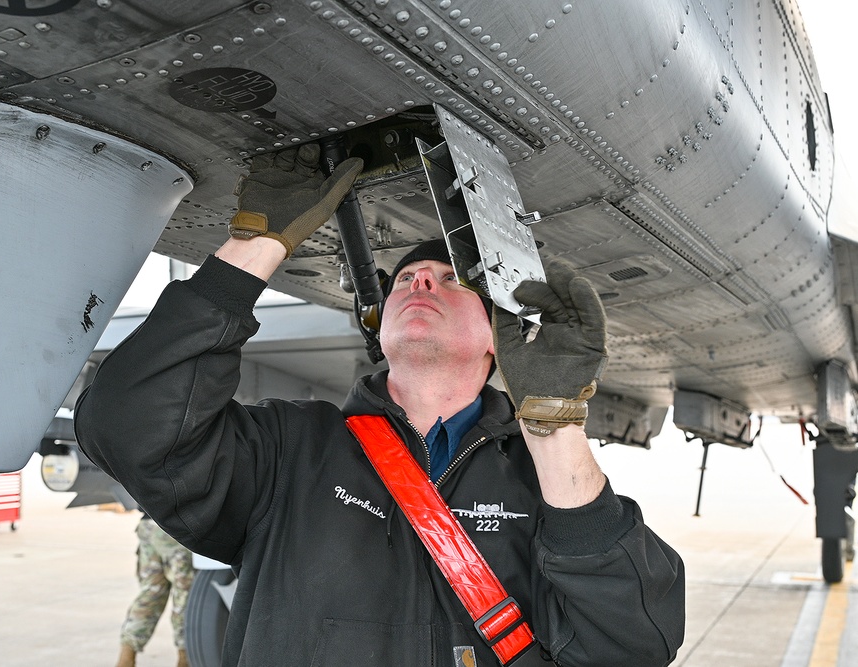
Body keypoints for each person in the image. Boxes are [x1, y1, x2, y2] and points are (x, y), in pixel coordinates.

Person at [76, 144, 685, 666]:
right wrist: (252, 248)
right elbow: (128, 429)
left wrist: (554, 427)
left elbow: (632, 643)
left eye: (451, 281)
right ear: (383, 325)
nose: (420, 280)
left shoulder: (547, 488)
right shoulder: (289, 452)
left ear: (497, 341)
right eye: (405, 278)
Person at [116, 512, 196, 667]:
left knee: (150, 594)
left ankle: (126, 658)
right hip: (178, 529)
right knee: (185, 598)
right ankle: (185, 658)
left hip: (149, 526)